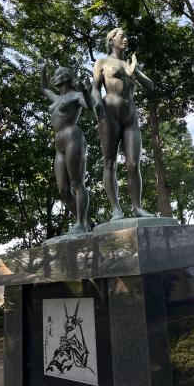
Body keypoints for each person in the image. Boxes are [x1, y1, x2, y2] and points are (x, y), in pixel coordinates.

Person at [92, 27, 155, 220]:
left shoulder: (129, 64)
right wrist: (97, 103)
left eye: (127, 36)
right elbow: (95, 89)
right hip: (109, 114)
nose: (126, 39)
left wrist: (135, 71)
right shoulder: (102, 62)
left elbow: (150, 86)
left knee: (133, 164)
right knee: (109, 162)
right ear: (111, 40)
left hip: (130, 116)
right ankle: (116, 209)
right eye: (122, 36)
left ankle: (137, 207)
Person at [40, 64, 93, 234]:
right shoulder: (56, 98)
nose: (54, 77)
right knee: (63, 189)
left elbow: (90, 105)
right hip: (59, 142)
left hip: (73, 136)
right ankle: (85, 223)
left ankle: (80, 223)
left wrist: (85, 90)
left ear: (65, 77)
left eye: (57, 74)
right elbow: (44, 89)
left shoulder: (77, 95)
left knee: (77, 183)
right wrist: (42, 70)